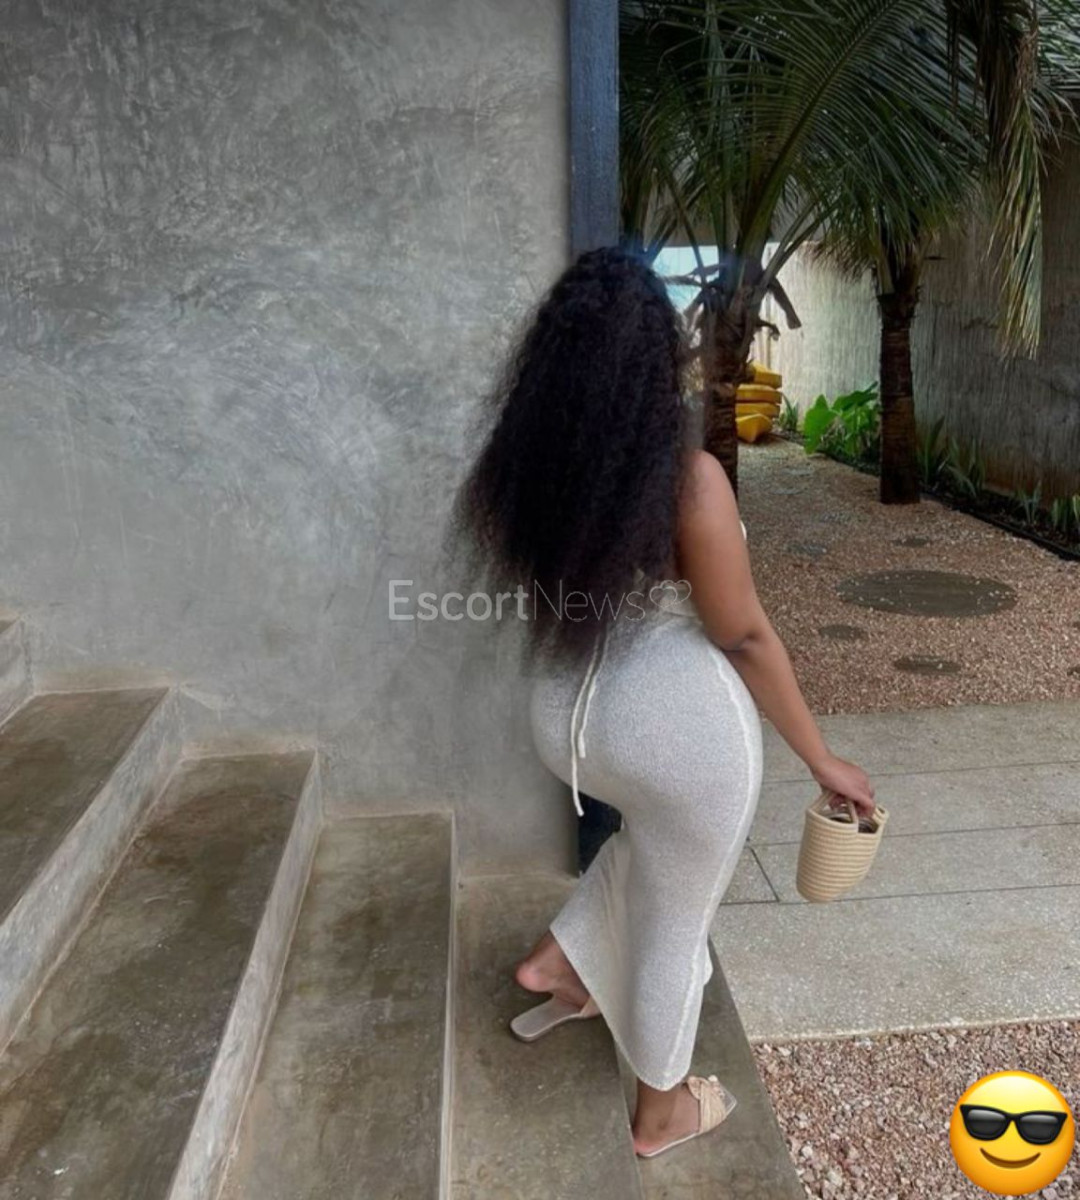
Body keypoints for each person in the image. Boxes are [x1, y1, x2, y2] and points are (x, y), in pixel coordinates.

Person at [450, 245, 876, 1159]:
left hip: (564, 721)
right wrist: (820, 757)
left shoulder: (530, 468)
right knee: (679, 921)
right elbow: (745, 634)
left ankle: (562, 963)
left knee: (653, 845)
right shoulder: (689, 483)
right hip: (675, 737)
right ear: (659, 364)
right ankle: (662, 1111)